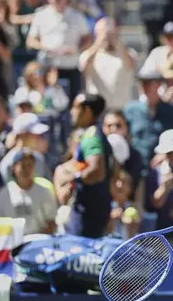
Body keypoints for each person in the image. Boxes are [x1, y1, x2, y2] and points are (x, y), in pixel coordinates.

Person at [64, 93, 114, 238]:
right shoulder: (97, 134)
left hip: (88, 214)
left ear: (87, 111)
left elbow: (96, 171)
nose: (72, 112)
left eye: (75, 107)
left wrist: (75, 178)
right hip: (97, 209)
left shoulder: (91, 137)